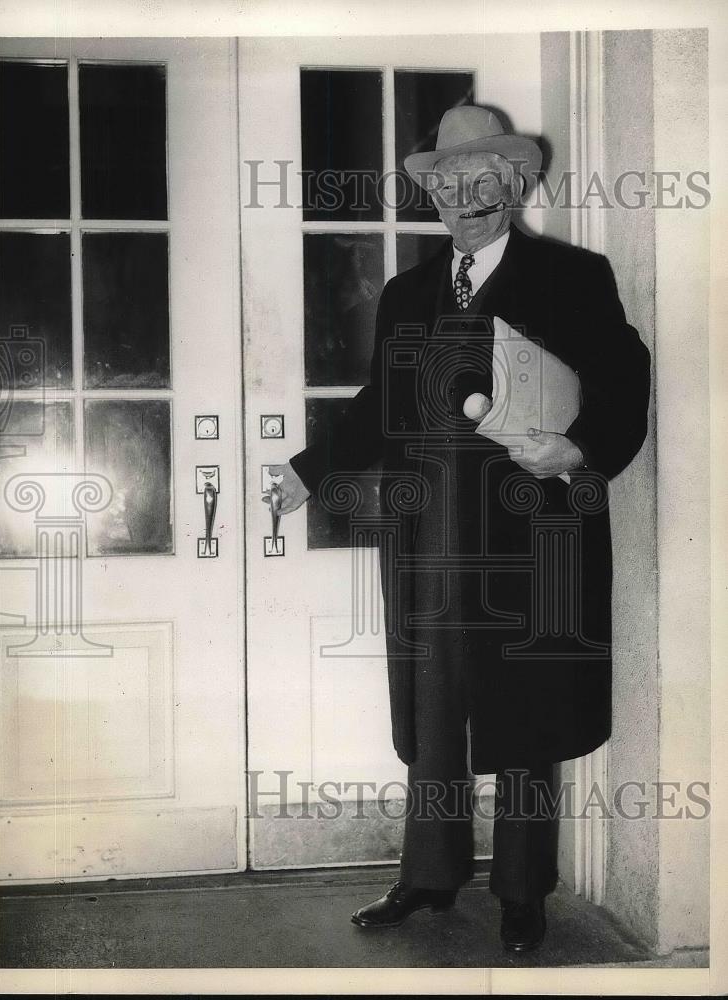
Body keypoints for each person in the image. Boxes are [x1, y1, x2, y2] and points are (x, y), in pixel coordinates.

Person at [266, 106, 651, 952]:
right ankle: (428, 877)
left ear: (512, 187)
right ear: (432, 195)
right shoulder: (406, 292)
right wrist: (308, 470)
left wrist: (579, 449)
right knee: (431, 708)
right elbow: (377, 405)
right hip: (428, 534)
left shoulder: (570, 276)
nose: (463, 196)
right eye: (447, 182)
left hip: (529, 531)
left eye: (482, 180)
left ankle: (521, 891)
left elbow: (624, 379)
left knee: (526, 707)